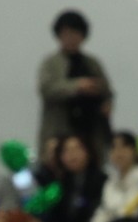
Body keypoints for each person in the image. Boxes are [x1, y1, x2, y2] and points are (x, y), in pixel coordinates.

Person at [36, 9, 112, 154]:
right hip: (58, 130)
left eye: (75, 33)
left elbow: (107, 90)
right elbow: (46, 89)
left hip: (91, 131)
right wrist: (77, 86)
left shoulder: (92, 63)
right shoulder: (51, 63)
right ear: (58, 36)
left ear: (83, 36)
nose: (70, 38)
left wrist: (106, 102)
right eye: (66, 34)